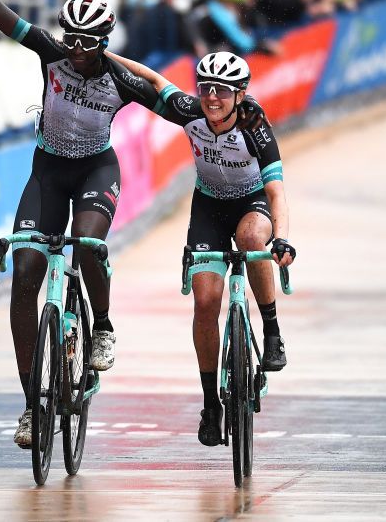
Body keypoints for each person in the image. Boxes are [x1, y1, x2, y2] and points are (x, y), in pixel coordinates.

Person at [0, 0, 269, 448]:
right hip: (47, 170)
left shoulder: (121, 79)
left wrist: (231, 110)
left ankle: (103, 327)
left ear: (105, 43)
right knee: (23, 277)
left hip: (95, 170)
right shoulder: (52, 54)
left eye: (91, 44)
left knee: (88, 246)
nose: (80, 51)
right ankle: (30, 406)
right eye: (74, 41)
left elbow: (187, 108)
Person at [108, 50, 296, 447]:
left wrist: (282, 237)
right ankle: (211, 403)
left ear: (240, 95)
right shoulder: (190, 111)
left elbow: (277, 191)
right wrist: (104, 53)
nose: (212, 98)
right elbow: (156, 81)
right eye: (206, 88)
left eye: (222, 92)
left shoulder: (255, 125)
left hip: (252, 202)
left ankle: (273, 331)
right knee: (207, 301)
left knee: (251, 241)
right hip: (209, 205)